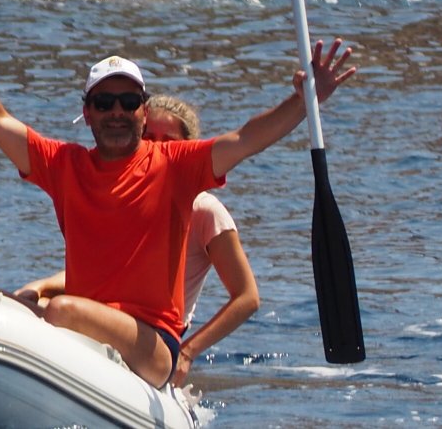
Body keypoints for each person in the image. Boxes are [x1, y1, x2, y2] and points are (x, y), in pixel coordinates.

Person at [0, 0, 354, 389]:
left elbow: (247, 138)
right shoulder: (64, 165)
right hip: (82, 327)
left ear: (143, 110)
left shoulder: (178, 165)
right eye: (104, 102)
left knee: (60, 311)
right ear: (88, 113)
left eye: (128, 102)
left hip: (151, 345)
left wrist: (304, 101)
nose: (116, 112)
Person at [15, 94, 260, 386]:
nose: (157, 147)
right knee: (22, 301)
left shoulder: (206, 212)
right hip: (107, 313)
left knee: (58, 310)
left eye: (168, 141)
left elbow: (247, 297)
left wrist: (188, 352)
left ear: (189, 147)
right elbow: (108, 272)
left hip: (153, 338)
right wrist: (42, 285)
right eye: (149, 137)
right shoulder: (130, 197)